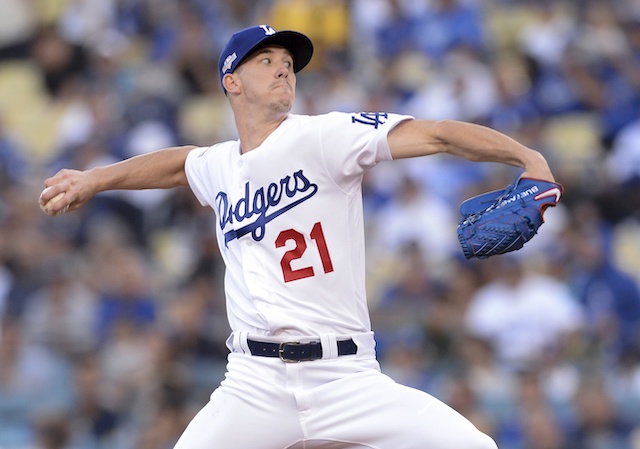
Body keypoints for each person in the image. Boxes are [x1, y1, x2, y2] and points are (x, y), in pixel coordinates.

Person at [39, 24, 559, 449]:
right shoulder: (220, 164)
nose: (283, 65)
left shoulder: (326, 136)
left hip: (345, 375)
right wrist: (95, 178)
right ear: (231, 81)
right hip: (253, 381)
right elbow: (178, 164)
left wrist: (527, 158)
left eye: (288, 61)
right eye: (265, 59)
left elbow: (440, 134)